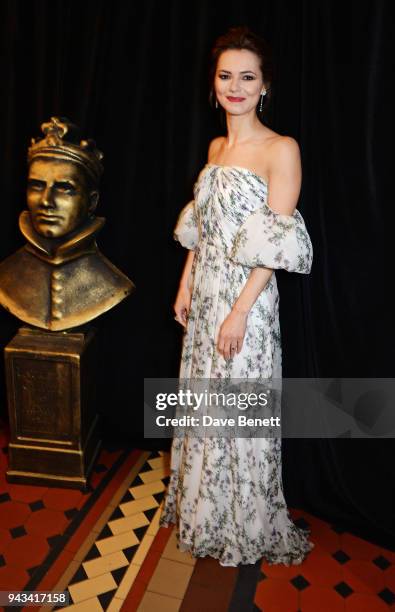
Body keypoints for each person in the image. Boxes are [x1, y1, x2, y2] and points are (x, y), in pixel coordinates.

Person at [159, 26, 314, 567]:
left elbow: (276, 245)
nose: (236, 86)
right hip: (204, 298)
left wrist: (239, 314)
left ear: (264, 85)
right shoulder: (217, 147)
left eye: (247, 76)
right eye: (226, 75)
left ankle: (245, 522)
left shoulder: (281, 149)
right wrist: (184, 281)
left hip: (245, 301)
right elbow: (203, 227)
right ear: (214, 83)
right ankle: (206, 512)